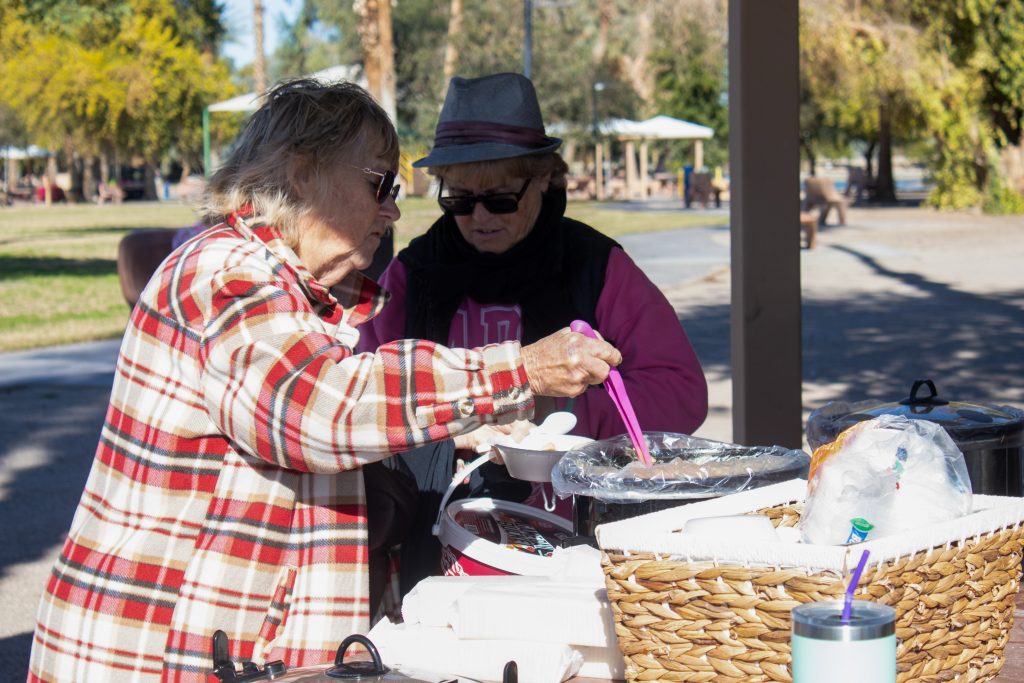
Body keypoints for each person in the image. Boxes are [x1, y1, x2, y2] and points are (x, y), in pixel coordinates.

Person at [26, 78, 622, 682]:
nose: (391, 209)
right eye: (380, 184)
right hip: (153, 652)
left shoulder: (290, 291)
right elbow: (319, 408)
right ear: (303, 173)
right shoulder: (225, 273)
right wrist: (520, 367)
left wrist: (449, 433)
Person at [356, 72, 708, 595]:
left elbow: (680, 390)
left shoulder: (593, 265)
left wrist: (555, 416)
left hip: (576, 538)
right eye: (458, 199)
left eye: (499, 199)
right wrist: (454, 423)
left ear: (544, 178)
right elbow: (362, 388)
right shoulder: (418, 272)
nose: (477, 217)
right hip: (440, 539)